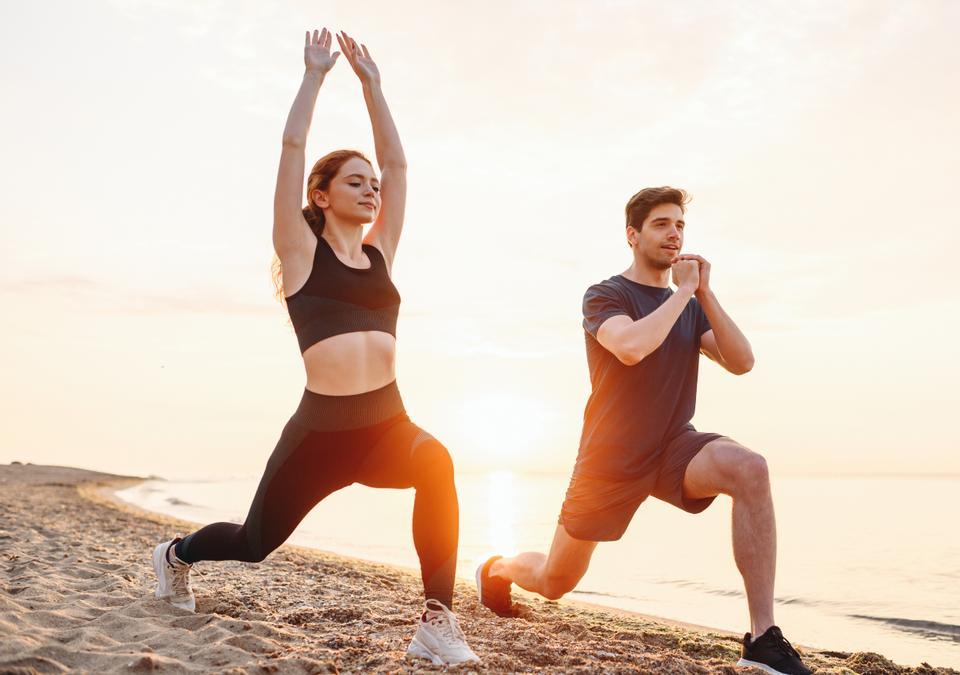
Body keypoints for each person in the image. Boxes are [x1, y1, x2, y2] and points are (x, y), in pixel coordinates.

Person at [149, 29, 479, 666]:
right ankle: (176, 553)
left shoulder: (381, 253)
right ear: (321, 197)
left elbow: (401, 167)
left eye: (372, 184)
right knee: (253, 542)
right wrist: (315, 75)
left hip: (387, 425)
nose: (372, 189)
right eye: (356, 182)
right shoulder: (301, 257)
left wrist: (374, 86)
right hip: (319, 435)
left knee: (437, 463)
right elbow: (294, 145)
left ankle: (436, 620)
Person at [475, 187, 811, 674]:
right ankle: (498, 568)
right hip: (609, 459)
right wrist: (682, 293)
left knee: (750, 469)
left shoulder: (693, 305)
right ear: (633, 235)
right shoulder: (606, 294)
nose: (674, 233)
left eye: (680, 225)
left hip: (674, 445)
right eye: (661, 224)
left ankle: (762, 639)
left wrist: (706, 294)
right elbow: (631, 347)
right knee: (555, 580)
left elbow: (742, 362)